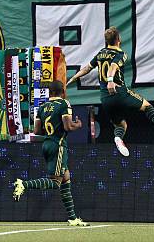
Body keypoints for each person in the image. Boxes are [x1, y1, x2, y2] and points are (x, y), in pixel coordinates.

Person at [67, 27, 154, 157]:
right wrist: (111, 80)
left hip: (106, 99)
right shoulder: (120, 54)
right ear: (118, 39)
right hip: (120, 92)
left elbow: (87, 68)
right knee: (147, 107)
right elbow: (113, 66)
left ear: (106, 41)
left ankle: (118, 139)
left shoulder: (101, 53)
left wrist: (73, 78)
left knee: (121, 124)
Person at [12, 80, 89, 227]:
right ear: (63, 91)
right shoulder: (64, 104)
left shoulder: (42, 107)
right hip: (58, 145)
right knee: (55, 183)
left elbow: (36, 131)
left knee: (66, 179)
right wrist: (78, 125)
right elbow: (68, 126)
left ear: (50, 92)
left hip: (46, 144)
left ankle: (73, 218)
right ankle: (24, 184)